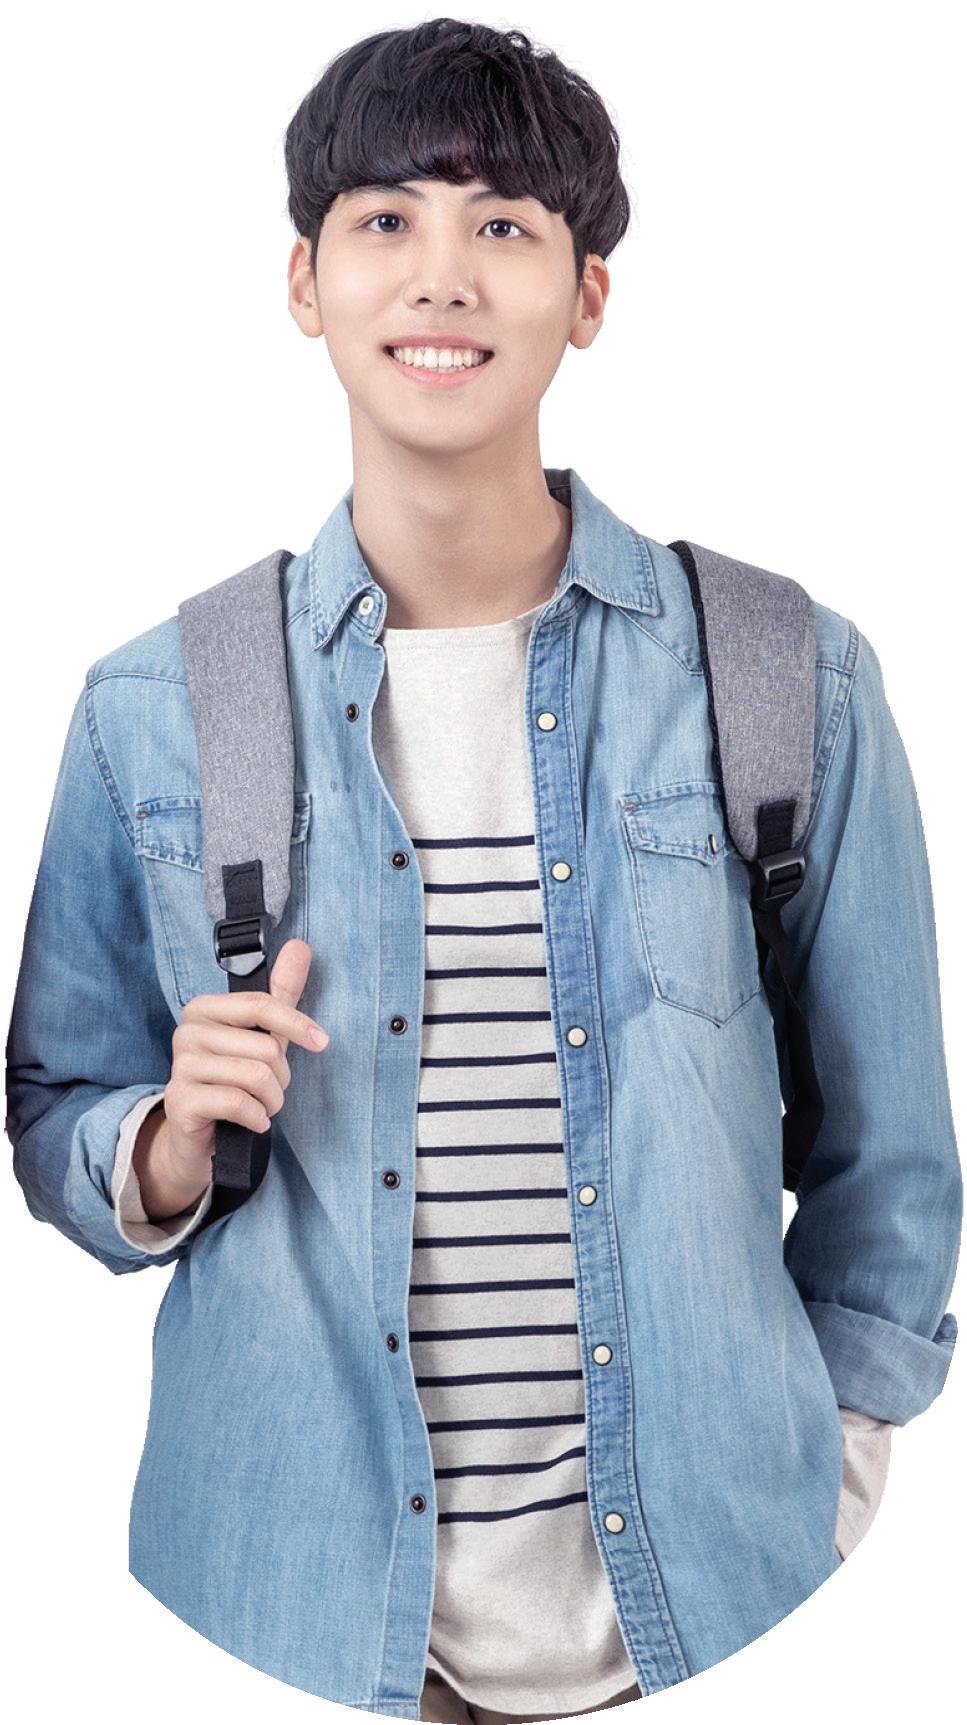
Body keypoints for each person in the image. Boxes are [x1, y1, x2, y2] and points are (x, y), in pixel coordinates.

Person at [5, 17, 961, 1725]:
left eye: (503, 223)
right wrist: (163, 1140)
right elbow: (56, 1108)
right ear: (303, 281)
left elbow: (890, 1158)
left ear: (587, 294)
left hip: (716, 1604)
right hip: (283, 1614)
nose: (441, 274)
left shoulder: (781, 675)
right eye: (385, 218)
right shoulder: (164, 705)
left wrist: (831, 1481)